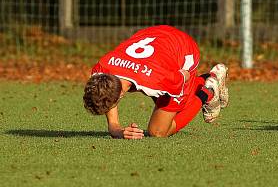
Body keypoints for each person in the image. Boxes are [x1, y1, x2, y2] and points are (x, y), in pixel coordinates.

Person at [83, 25, 229, 139]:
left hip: (183, 50)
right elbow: (105, 93)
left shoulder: (159, 80)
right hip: (154, 36)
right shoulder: (102, 68)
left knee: (158, 131)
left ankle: (208, 89)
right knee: (162, 106)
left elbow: (184, 76)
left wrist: (182, 84)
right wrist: (115, 129)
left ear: (120, 95)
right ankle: (205, 84)